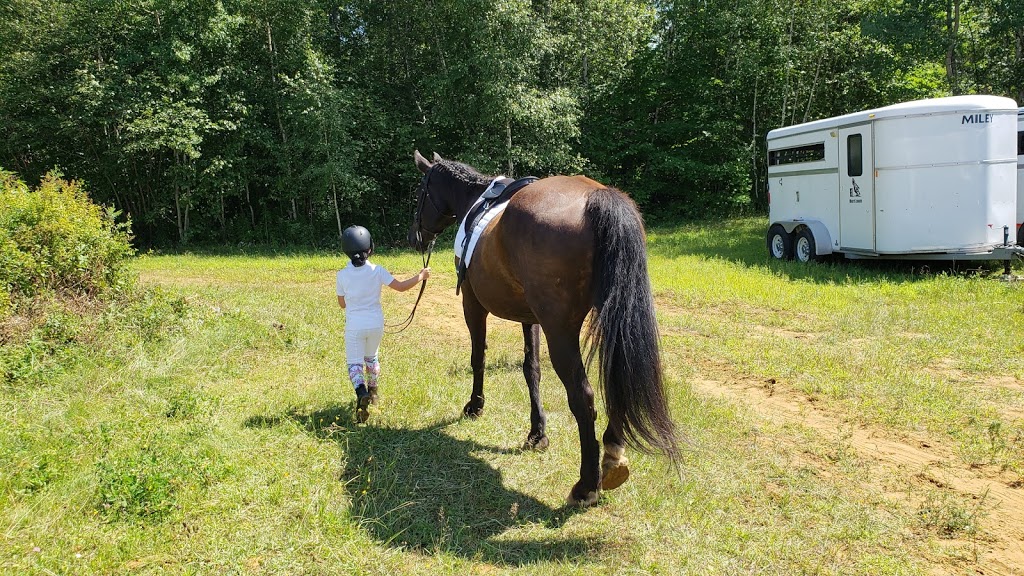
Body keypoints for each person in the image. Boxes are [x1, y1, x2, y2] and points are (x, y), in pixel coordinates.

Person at [336, 225, 430, 423]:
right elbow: (402, 287)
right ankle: (374, 392)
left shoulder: (342, 275)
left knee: (354, 364)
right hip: (376, 324)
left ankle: (361, 393)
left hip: (355, 326)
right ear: (369, 248)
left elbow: (342, 304)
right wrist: (420, 276)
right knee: (371, 359)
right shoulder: (378, 271)